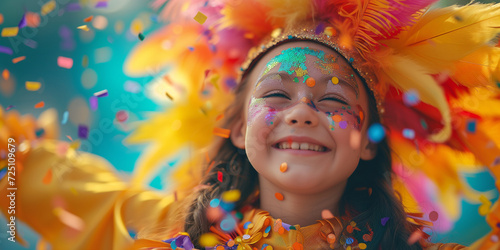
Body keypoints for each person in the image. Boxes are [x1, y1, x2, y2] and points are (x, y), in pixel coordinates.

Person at [1, 0, 500, 249]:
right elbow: (19, 172)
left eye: (332, 99)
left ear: (368, 141)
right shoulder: (156, 230)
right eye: (277, 94)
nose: (302, 112)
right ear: (239, 131)